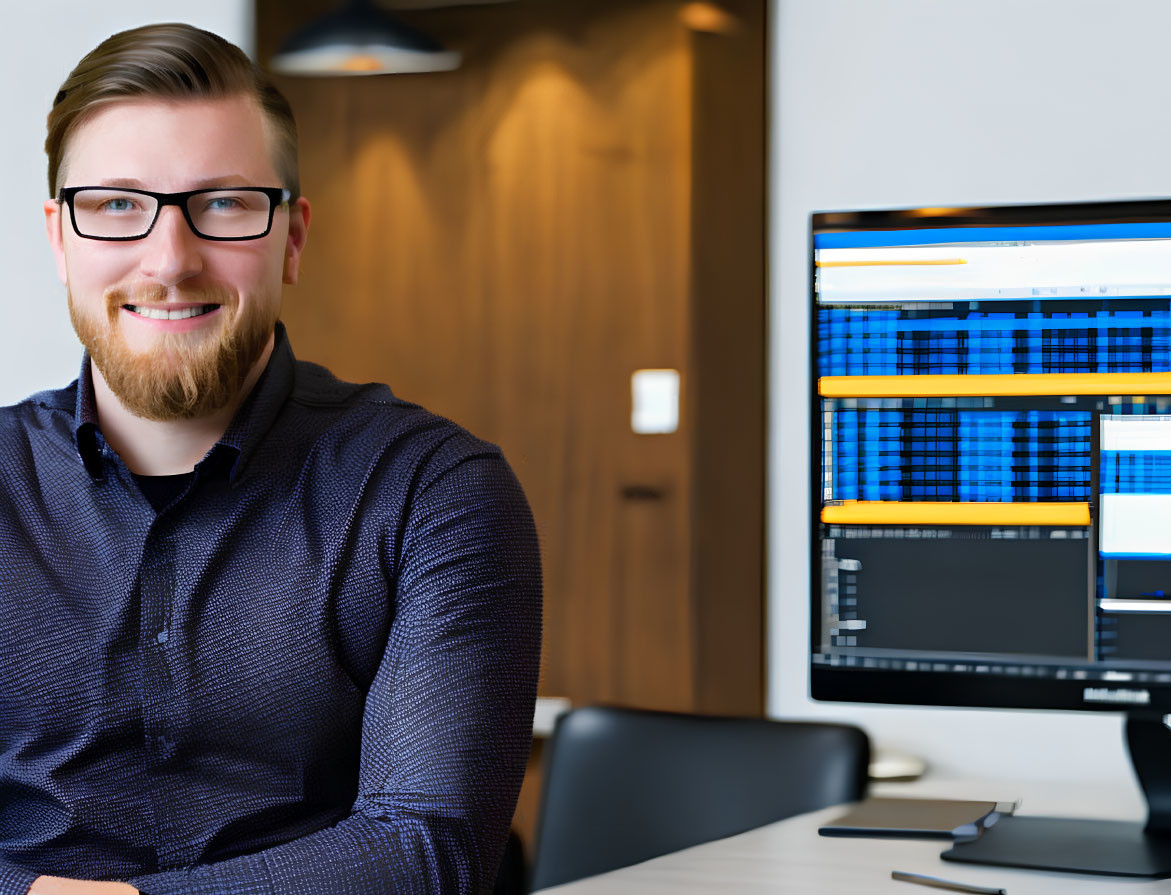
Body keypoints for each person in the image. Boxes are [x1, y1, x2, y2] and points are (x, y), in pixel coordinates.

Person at [0, 22, 542, 895]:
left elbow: (429, 851)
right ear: (61, 238)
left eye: (223, 203)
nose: (170, 260)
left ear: (291, 237)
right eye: (114, 204)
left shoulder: (433, 491)